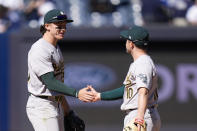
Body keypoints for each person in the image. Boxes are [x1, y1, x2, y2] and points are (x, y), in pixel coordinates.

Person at [26, 9, 94, 131]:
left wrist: (68, 111)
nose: (63, 29)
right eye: (58, 26)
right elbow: (50, 82)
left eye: (64, 26)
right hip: (41, 106)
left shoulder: (55, 47)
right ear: (47, 26)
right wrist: (77, 93)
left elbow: (57, 86)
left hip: (53, 104)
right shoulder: (40, 49)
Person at [89, 26, 161, 131]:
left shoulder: (142, 63)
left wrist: (139, 119)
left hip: (141, 115)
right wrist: (99, 96)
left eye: (127, 40)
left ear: (131, 44)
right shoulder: (140, 63)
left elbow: (143, 92)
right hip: (143, 114)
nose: (125, 43)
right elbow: (125, 90)